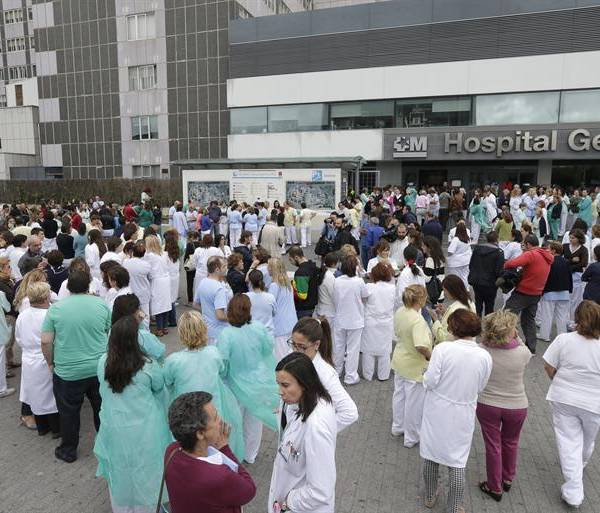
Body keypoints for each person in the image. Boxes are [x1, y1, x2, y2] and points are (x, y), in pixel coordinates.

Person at [94, 316, 172, 513]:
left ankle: (123, 506)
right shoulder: (147, 365)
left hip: (114, 424)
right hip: (146, 426)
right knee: (147, 467)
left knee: (120, 466)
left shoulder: (103, 362)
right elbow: (158, 387)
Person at [421, 309, 492, 513]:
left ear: (453, 328)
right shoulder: (484, 356)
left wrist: (424, 376)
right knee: (458, 460)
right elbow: (481, 386)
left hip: (438, 409)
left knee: (432, 454)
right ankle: (453, 506)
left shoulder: (443, 349)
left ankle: (430, 496)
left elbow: (431, 381)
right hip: (464, 411)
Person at [41, 269, 112, 462]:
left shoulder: (56, 309)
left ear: (69, 287)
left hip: (68, 371)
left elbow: (46, 340)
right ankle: (107, 445)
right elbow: (108, 330)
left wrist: (50, 362)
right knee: (102, 408)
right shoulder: (101, 304)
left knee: (69, 412)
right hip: (98, 367)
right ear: (88, 285)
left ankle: (68, 450)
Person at [164, 310, 244, 459]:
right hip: (212, 410)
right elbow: (222, 371)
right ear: (203, 330)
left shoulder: (173, 361)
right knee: (214, 448)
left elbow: (167, 382)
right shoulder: (213, 353)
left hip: (186, 415)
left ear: (181, 333)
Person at [543, 301, 600, 508]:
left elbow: (548, 365)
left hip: (564, 397)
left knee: (569, 442)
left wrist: (559, 380)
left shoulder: (564, 339)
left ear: (577, 318)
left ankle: (574, 488)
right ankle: (576, 476)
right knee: (587, 439)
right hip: (594, 402)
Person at [164, 391, 256, 513]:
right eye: (216, 417)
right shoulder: (218, 476)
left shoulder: (171, 450)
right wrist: (224, 448)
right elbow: (249, 490)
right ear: (200, 433)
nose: (220, 421)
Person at [269, 352, 337, 513]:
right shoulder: (300, 405)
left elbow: (321, 492)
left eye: (285, 385)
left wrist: (287, 502)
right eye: (278, 384)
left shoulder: (316, 427)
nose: (280, 391)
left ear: (305, 384)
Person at [476, 310, 532, 502]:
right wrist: (518, 338)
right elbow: (526, 350)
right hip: (517, 405)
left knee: (493, 445)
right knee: (511, 441)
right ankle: (508, 478)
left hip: (488, 404)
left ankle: (494, 486)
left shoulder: (482, 351)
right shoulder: (522, 353)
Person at [217, 294, 278, 465]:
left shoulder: (226, 334)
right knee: (254, 420)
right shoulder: (258, 327)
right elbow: (268, 348)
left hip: (235, 384)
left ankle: (235, 453)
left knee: (235, 420)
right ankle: (251, 454)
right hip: (258, 381)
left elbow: (222, 363)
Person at [287, 317, 358, 432]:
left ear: (316, 344)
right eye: (293, 344)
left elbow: (350, 413)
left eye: (302, 347)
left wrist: (316, 431)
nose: (295, 350)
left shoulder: (325, 374)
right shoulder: (296, 356)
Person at [15, 282, 59, 435]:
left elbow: (19, 338)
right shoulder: (50, 315)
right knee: (51, 395)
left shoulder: (22, 316)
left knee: (36, 395)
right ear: (46, 297)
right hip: (47, 357)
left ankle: (43, 428)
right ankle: (56, 429)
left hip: (29, 359)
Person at [391, 285, 432, 447]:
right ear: (420, 300)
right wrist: (431, 356)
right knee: (413, 403)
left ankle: (398, 426)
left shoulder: (401, 311)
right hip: (414, 365)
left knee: (399, 396)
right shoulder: (418, 320)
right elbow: (420, 345)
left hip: (399, 359)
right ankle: (412, 437)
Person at [504, 234, 553, 354]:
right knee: (528, 320)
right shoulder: (546, 255)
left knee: (507, 316)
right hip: (536, 293)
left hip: (524, 291)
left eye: (524, 244)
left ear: (528, 244)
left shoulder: (531, 254)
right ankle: (531, 347)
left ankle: (504, 342)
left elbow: (512, 263)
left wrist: (505, 264)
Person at [332, 255, 369, 385]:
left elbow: (334, 298)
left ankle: (336, 371)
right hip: (355, 319)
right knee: (353, 349)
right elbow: (365, 296)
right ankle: (350, 375)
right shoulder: (359, 282)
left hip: (340, 318)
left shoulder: (337, 281)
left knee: (338, 347)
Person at [361, 262, 395, 381]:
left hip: (371, 321)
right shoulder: (392, 288)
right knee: (385, 350)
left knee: (368, 350)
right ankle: (383, 375)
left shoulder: (369, 287)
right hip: (386, 322)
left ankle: (368, 375)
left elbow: (363, 299)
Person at [538, 242, 573, 342]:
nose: (548, 250)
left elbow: (546, 277)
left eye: (549, 249)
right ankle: (562, 336)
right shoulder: (566, 262)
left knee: (547, 315)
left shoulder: (549, 261)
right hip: (564, 292)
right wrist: (569, 289)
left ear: (553, 250)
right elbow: (569, 276)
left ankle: (544, 335)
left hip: (550, 292)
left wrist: (542, 290)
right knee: (562, 316)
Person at [194, 256, 232, 345]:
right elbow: (220, 315)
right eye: (224, 266)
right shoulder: (219, 288)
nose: (226, 269)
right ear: (217, 270)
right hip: (219, 333)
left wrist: (208, 311)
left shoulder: (203, 282)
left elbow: (195, 304)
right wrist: (234, 318)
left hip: (207, 329)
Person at [430, 275, 476, 345]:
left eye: (445, 290)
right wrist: (445, 312)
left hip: (453, 346)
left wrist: (435, 319)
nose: (444, 294)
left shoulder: (455, 309)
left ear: (452, 291)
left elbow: (444, 337)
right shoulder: (470, 303)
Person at [267, 257, 298, 361]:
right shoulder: (288, 284)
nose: (267, 269)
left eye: (269, 266)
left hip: (279, 326)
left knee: (280, 358)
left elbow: (270, 306)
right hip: (291, 323)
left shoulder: (274, 286)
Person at [468, 231, 504, 317]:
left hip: (476, 280)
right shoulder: (499, 252)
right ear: (497, 239)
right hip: (490, 283)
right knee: (489, 305)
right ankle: (487, 322)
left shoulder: (477, 249)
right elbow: (498, 270)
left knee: (478, 302)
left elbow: (471, 264)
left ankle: (477, 321)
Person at [144, 235, 172, 337]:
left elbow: (146, 268)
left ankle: (159, 329)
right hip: (166, 280)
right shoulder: (164, 254)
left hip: (156, 281)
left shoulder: (149, 256)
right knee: (165, 304)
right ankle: (165, 327)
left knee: (158, 306)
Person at [122, 242, 152, 326]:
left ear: (132, 252)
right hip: (143, 293)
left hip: (131, 292)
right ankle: (146, 330)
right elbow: (150, 277)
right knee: (145, 315)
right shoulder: (146, 265)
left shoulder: (126, 262)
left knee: (131, 314)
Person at [563, 228, 589, 320]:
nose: (570, 239)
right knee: (566, 298)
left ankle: (572, 319)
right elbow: (561, 260)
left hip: (577, 276)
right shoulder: (565, 246)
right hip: (565, 275)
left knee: (575, 299)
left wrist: (570, 266)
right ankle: (565, 319)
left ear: (579, 238)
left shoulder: (583, 249)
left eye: (573, 238)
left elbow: (584, 263)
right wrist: (572, 260)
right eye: (570, 237)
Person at [288, 246, 320, 318]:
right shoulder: (312, 266)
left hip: (303, 308)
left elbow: (302, 295)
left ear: (296, 257)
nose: (291, 263)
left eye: (290, 260)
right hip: (311, 304)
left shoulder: (301, 272)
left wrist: (292, 287)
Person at [245, 269, 276, 337]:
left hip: (252, 334)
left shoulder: (245, 296)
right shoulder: (270, 297)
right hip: (268, 333)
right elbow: (274, 313)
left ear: (250, 282)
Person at [446, 222, 472, 290]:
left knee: (455, 278)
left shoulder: (456, 239)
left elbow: (450, 251)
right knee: (464, 277)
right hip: (466, 261)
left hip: (456, 263)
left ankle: (457, 291)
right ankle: (466, 289)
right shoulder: (468, 239)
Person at [163, 229, 181, 328]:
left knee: (167, 301)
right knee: (172, 300)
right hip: (175, 277)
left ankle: (170, 320)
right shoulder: (176, 253)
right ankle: (173, 320)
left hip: (168, 278)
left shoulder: (165, 254)